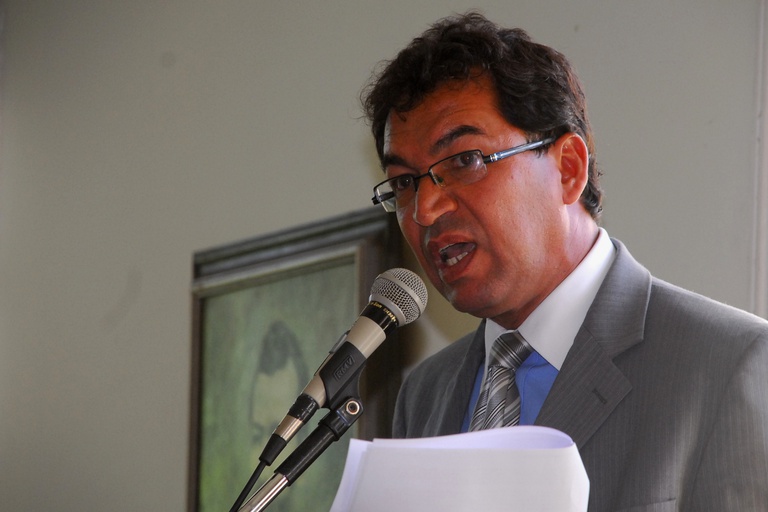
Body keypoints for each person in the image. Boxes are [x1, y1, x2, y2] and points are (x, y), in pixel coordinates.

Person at [362, 11, 768, 511]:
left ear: (569, 169)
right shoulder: (424, 396)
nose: (425, 209)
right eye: (404, 183)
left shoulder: (729, 364)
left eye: (465, 160)